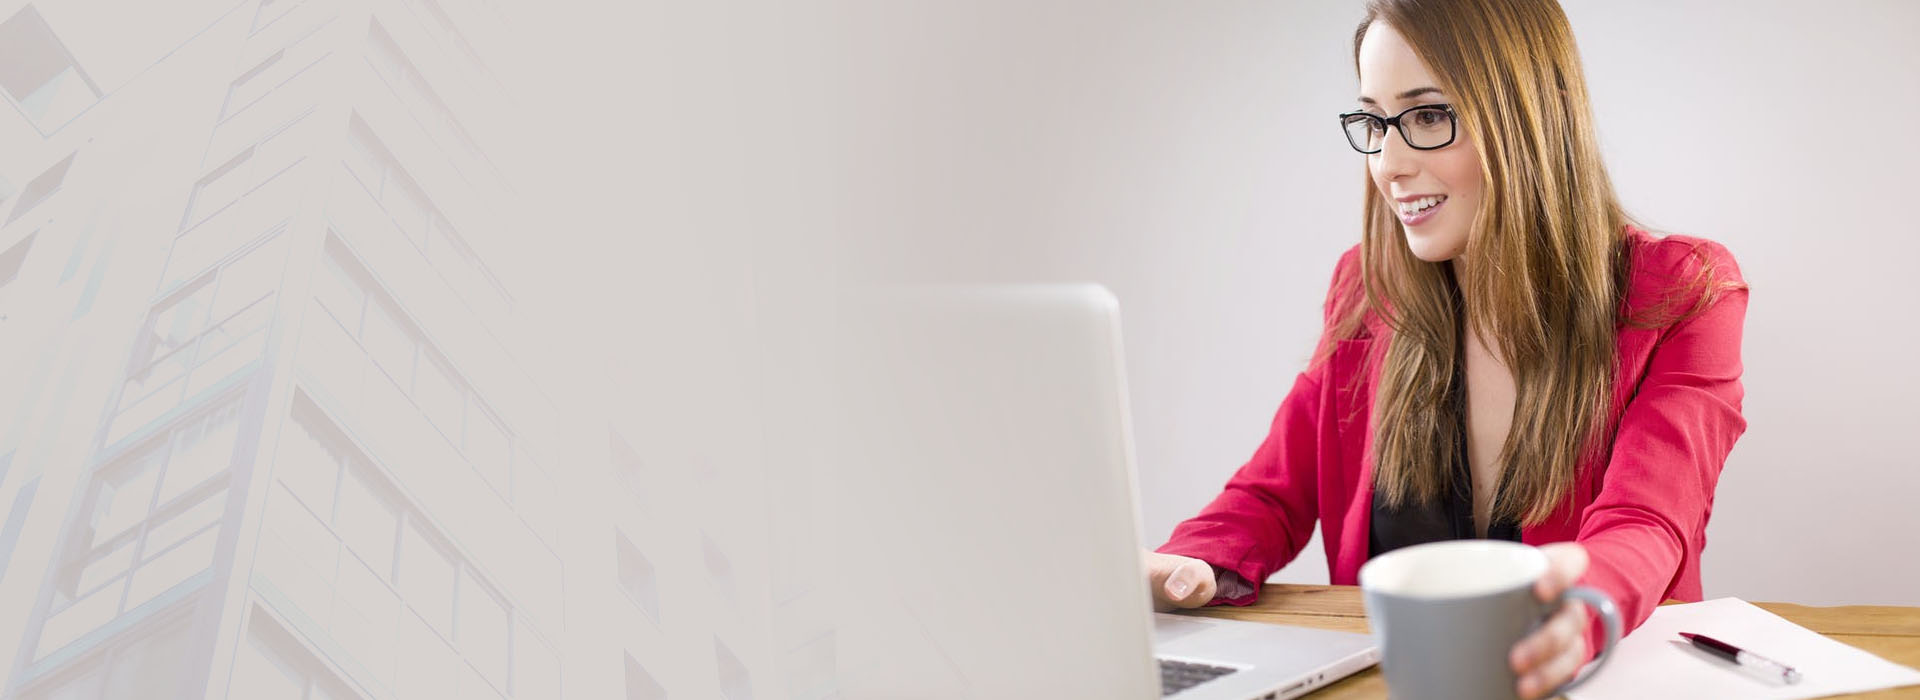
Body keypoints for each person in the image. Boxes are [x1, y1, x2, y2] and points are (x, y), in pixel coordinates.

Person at [1144, 1, 1748, 698]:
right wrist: (1185, 566)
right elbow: (1269, 495)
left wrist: (1575, 612)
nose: (1388, 164)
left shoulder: (1683, 291)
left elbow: (1647, 521)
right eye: (1375, 122)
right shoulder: (1365, 290)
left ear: (1529, 117)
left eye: (1429, 116)